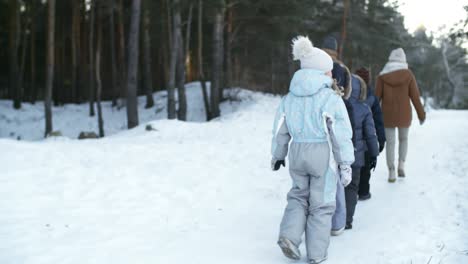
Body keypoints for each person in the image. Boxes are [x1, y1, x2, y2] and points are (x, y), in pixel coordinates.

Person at [271, 36, 354, 264]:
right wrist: (345, 163)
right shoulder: (330, 98)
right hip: (322, 154)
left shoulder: (290, 97)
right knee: (321, 203)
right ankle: (317, 254)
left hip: (297, 151)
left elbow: (281, 127)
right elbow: (341, 134)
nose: (331, 74)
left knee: (298, 196)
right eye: (328, 71)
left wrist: (278, 155)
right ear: (321, 72)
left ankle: (289, 236)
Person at [375, 48, 426, 182]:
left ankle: (391, 171)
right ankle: (401, 164)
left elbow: (376, 98)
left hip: (388, 116)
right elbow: (415, 97)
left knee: (390, 143)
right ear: (403, 60)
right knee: (404, 140)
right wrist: (421, 114)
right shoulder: (408, 75)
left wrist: (371, 116)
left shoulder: (382, 76)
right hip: (404, 115)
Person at [321, 36, 353, 235]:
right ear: (336, 49)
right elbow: (347, 93)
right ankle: (338, 221)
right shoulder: (343, 68)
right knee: (337, 168)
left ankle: (315, 218)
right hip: (337, 116)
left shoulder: (314, 65)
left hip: (316, 123)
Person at [355, 67, 386, 201]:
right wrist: (381, 139)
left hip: (353, 140)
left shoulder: (349, 94)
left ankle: (351, 191)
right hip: (368, 140)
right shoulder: (372, 97)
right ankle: (363, 192)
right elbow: (378, 120)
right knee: (366, 167)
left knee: (354, 166)